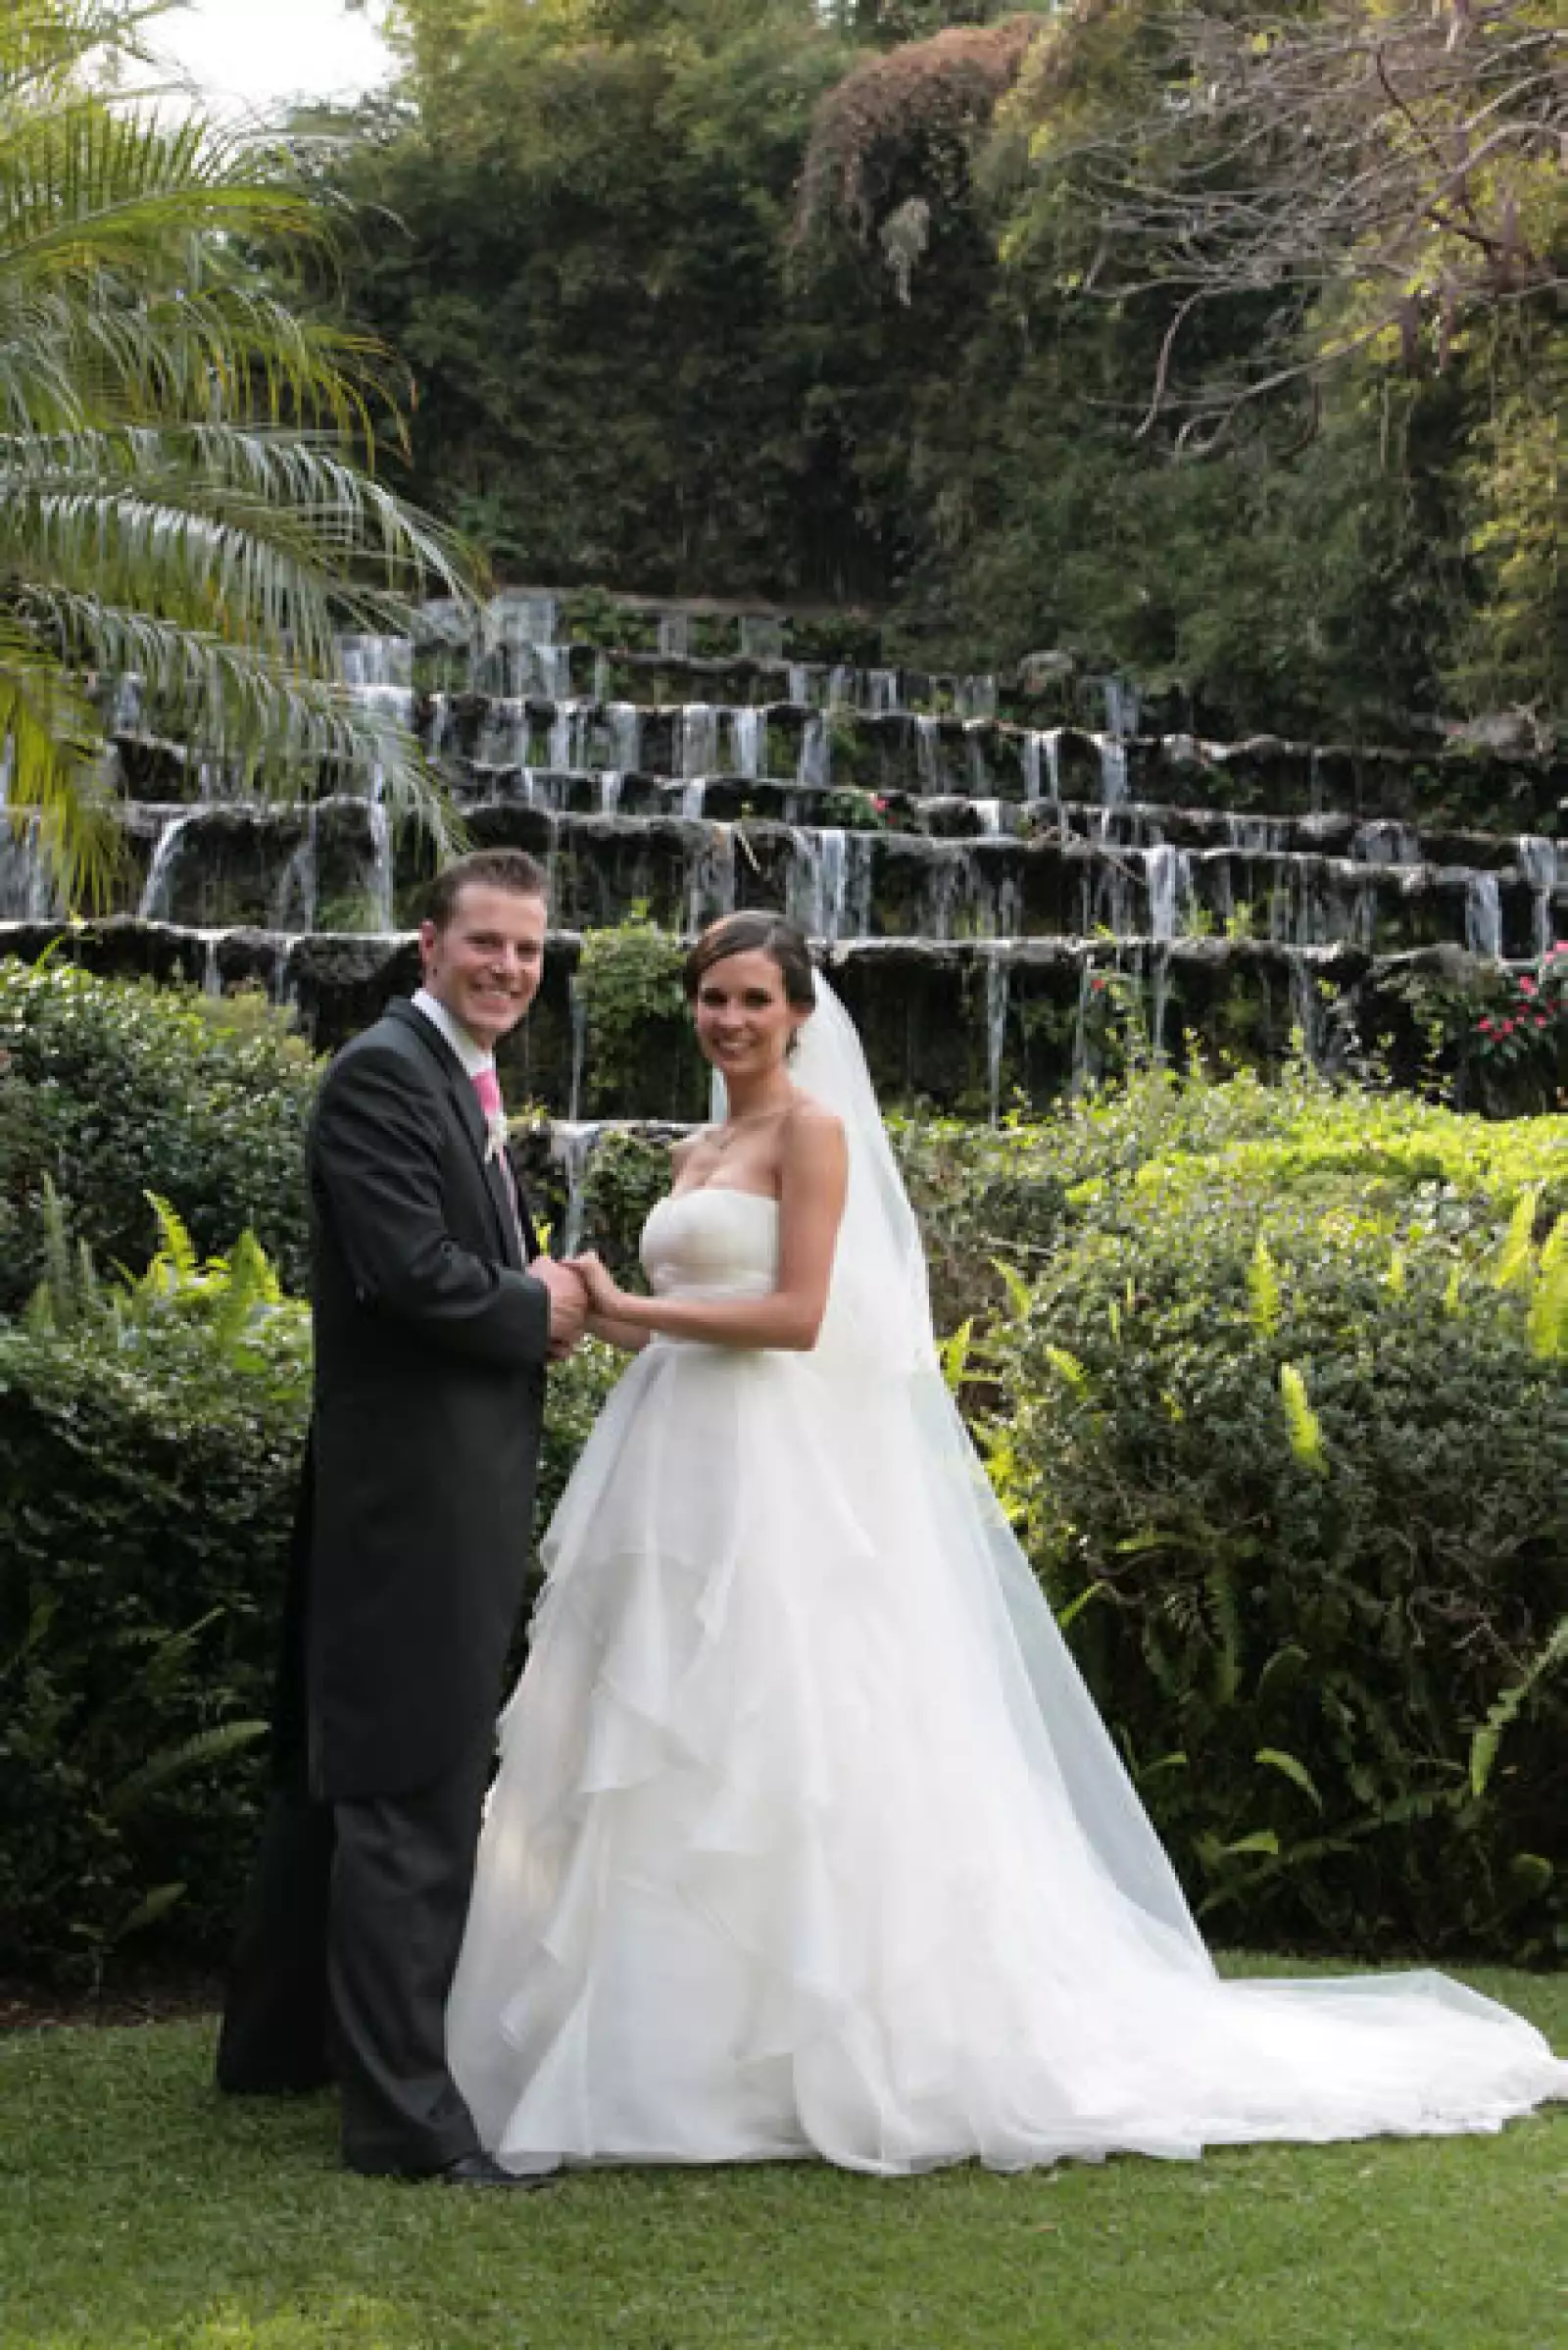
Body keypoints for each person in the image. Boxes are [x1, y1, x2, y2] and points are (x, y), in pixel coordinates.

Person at [446, 907, 1566, 2176]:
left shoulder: (813, 1133)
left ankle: (796, 2034)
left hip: (777, 1470)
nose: (731, 1019)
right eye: (713, 997)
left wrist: (632, 1299)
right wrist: (602, 1311)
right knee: (660, 1718)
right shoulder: (700, 1145)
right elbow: (696, 1323)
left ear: (800, 1012)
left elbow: (801, 1315)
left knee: (780, 1717)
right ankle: (653, 2036)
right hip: (673, 1461)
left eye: (755, 998)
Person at [217, 848, 586, 2188]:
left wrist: (525, 1279)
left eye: (529, 952)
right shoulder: (385, 1070)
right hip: (411, 1496)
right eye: (485, 942)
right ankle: (406, 2123)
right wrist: (533, 1307)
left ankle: (277, 2044)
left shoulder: (448, 1074)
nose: (507, 967)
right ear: (427, 943)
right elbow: (409, 1274)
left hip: (418, 1483)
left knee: (342, 1784)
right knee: (410, 1798)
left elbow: (454, 1256)